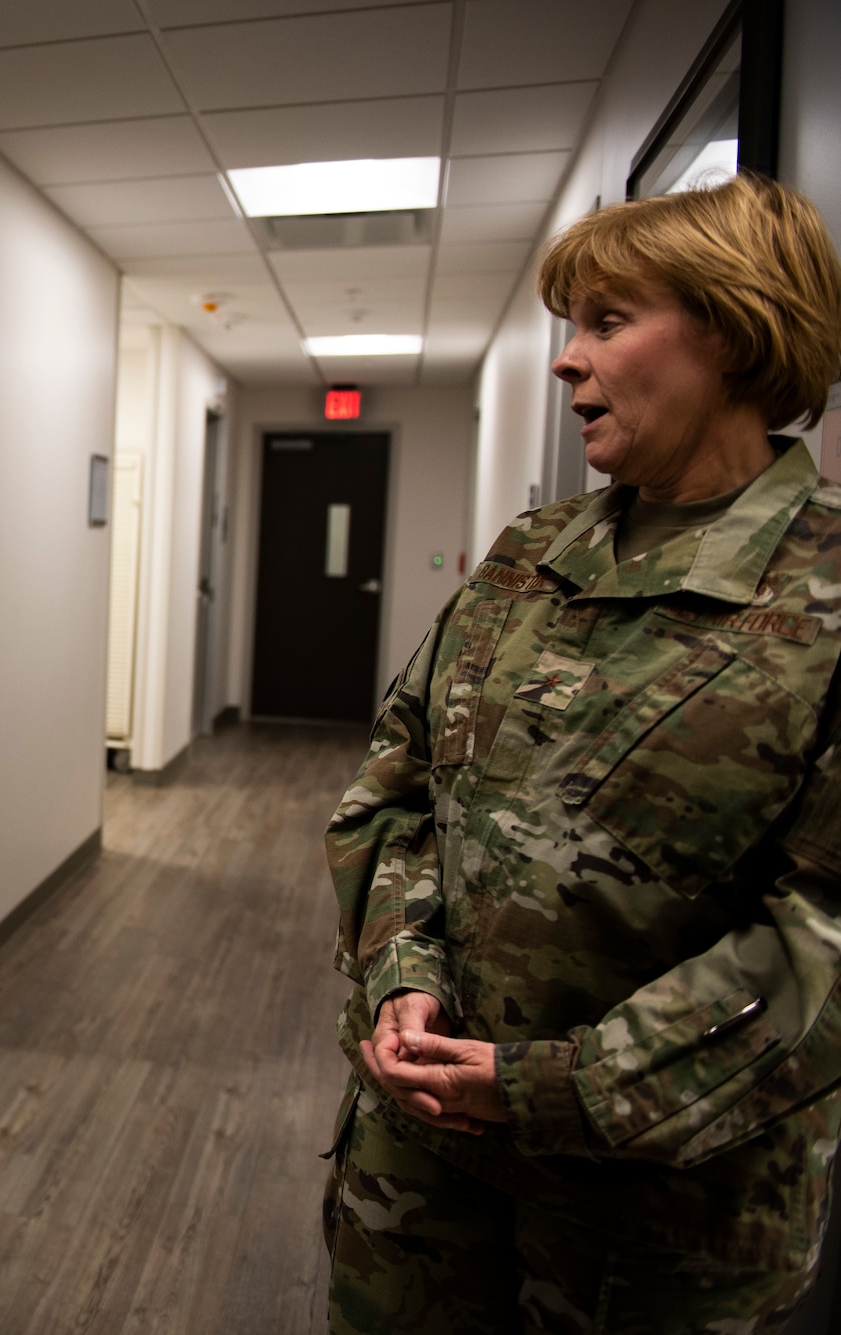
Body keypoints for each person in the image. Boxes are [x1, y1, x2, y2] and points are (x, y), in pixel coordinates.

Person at [323, 171, 841, 1333]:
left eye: (606, 322)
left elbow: (822, 931)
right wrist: (404, 976)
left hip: (654, 1229)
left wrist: (548, 1089)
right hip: (418, 1179)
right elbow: (393, 789)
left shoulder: (823, 595)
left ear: (736, 331)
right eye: (569, 326)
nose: (566, 359)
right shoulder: (526, 556)